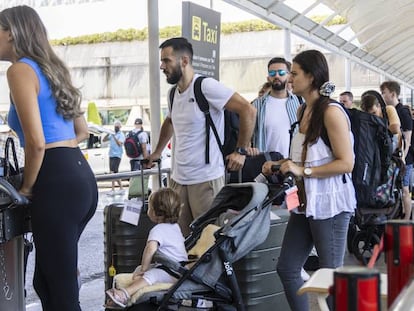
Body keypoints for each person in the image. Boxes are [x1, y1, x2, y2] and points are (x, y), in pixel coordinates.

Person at [0, 5, 98, 311]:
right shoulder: (53, 69)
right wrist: (61, 149)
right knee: (48, 281)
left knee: (61, 291)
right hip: (79, 177)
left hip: (55, 183)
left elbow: (36, 142)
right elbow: (81, 130)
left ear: (11, 33)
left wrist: (27, 188)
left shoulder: (19, 70)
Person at [262, 50, 356, 311]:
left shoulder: (331, 112)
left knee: (331, 278)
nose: (289, 78)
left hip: (330, 205)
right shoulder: (303, 110)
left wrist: (304, 172)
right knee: (288, 268)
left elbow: (346, 163)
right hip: (306, 203)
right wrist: (282, 165)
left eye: (294, 73)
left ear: (311, 77)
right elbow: (305, 157)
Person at [147, 37, 256, 237]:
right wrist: (157, 153)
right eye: (162, 61)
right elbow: (170, 122)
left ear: (184, 61)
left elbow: (248, 110)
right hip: (179, 180)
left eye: (167, 60)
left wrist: (240, 151)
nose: (162, 66)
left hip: (206, 180)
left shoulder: (205, 86)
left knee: (208, 242)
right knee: (183, 242)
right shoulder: (173, 94)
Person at [105, 188, 187, 309]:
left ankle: (124, 294)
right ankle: (136, 286)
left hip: (171, 270)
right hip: (178, 268)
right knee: (143, 270)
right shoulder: (175, 226)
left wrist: (144, 268)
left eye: (150, 207)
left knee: (150, 275)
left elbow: (150, 250)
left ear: (155, 212)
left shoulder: (157, 230)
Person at [251, 57, 302, 158]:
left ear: (289, 75)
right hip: (265, 165)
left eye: (281, 73)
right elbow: (248, 135)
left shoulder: (300, 102)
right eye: (272, 73)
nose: (276, 76)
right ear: (268, 77)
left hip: (294, 164)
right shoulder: (257, 105)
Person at [380, 81, 413, 220]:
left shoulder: (402, 112)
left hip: (406, 159)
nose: (382, 95)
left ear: (393, 94)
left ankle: (406, 221)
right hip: (396, 158)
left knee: (405, 189)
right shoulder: (389, 111)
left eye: (384, 92)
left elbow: (407, 138)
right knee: (398, 188)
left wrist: (402, 159)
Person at [103, 120, 126, 194]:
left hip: (117, 155)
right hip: (111, 154)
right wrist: (108, 133)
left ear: (120, 127)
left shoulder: (121, 134)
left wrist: (114, 136)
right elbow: (104, 140)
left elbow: (120, 144)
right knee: (114, 172)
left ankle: (113, 189)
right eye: (115, 126)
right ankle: (121, 188)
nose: (115, 128)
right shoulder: (112, 134)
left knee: (113, 172)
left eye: (117, 126)